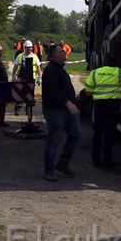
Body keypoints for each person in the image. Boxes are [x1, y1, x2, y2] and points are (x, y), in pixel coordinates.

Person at [83, 51, 121, 167]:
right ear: (116, 62)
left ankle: (96, 160)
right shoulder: (120, 72)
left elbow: (88, 90)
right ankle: (107, 160)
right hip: (113, 107)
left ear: (105, 61)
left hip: (99, 106)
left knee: (98, 133)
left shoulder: (95, 73)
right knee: (109, 133)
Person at [41, 43, 81, 181]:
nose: (64, 53)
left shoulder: (60, 69)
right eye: (61, 51)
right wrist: (68, 103)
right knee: (53, 140)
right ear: (54, 55)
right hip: (55, 110)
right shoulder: (50, 70)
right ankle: (49, 170)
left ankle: (63, 163)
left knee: (76, 134)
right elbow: (54, 92)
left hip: (67, 110)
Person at [11, 40, 41, 116]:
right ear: (25, 48)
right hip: (21, 78)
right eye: (27, 47)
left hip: (31, 79)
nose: (29, 49)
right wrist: (13, 75)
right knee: (19, 94)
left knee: (30, 96)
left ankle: (29, 110)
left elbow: (38, 68)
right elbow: (15, 66)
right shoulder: (20, 56)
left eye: (30, 47)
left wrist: (39, 77)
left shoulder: (35, 57)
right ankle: (17, 109)